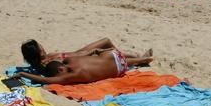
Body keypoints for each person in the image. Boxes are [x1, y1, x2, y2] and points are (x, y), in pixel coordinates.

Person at [12, 48, 153, 85]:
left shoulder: (70, 75)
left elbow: (44, 80)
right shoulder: (71, 61)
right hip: (112, 55)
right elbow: (87, 55)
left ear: (60, 70)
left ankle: (142, 59)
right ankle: (140, 57)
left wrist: (23, 74)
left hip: (118, 68)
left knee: (125, 63)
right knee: (109, 58)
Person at [20, 38, 152, 70]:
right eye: (39, 45)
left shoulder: (43, 59)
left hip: (80, 52)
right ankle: (139, 59)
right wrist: (90, 54)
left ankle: (136, 58)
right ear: (38, 50)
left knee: (106, 41)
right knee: (107, 44)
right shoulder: (46, 64)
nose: (42, 45)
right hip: (83, 56)